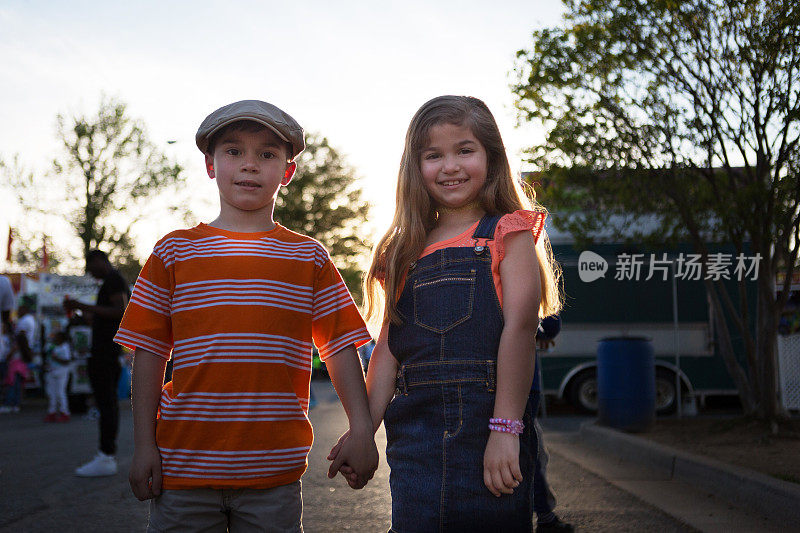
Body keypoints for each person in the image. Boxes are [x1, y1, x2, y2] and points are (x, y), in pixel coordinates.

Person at [114, 99, 377, 532]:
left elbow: (340, 346)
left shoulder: (308, 257)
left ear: (287, 172)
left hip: (274, 472)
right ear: (210, 165)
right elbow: (148, 351)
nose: (250, 165)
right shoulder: (174, 251)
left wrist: (362, 430)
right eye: (234, 151)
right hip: (183, 467)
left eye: (267, 154)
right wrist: (144, 445)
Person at [330, 95, 562, 531]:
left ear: (491, 158)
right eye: (433, 155)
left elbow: (520, 329)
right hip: (413, 441)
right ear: (414, 168)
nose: (449, 165)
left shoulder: (507, 232)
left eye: (465, 150)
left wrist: (506, 430)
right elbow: (388, 348)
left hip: (488, 433)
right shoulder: (403, 251)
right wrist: (363, 430)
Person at [64, 249, 130, 476]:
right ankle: (106, 454)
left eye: (90, 266)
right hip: (103, 351)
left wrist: (83, 306)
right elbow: (108, 314)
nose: (90, 273)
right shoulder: (110, 281)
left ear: (99, 260)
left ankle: (106, 455)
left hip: (106, 353)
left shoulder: (114, 279)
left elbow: (121, 311)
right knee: (105, 403)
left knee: (107, 403)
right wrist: (83, 316)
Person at [531, 315, 573, 532]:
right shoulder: (524, 280)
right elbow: (549, 326)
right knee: (531, 454)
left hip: (483, 379)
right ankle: (544, 516)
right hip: (522, 381)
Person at [44, 329, 72, 422]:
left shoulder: (65, 347)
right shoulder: (52, 346)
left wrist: (56, 358)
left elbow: (67, 361)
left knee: (60, 392)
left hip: (62, 371)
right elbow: (47, 357)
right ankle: (52, 412)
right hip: (52, 371)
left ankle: (64, 412)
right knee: (51, 393)